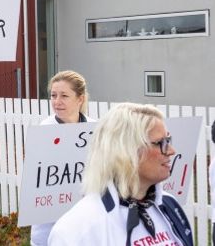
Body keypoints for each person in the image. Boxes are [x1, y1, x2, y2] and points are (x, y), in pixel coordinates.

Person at [48, 103, 193, 246]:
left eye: (168, 140)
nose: (171, 150)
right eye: (161, 142)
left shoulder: (169, 204)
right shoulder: (78, 230)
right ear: (126, 150)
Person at [30, 70, 95, 246]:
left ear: (80, 99)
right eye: (53, 95)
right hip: (50, 225)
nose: (57, 102)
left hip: (85, 220)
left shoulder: (94, 129)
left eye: (64, 96)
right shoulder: (44, 130)